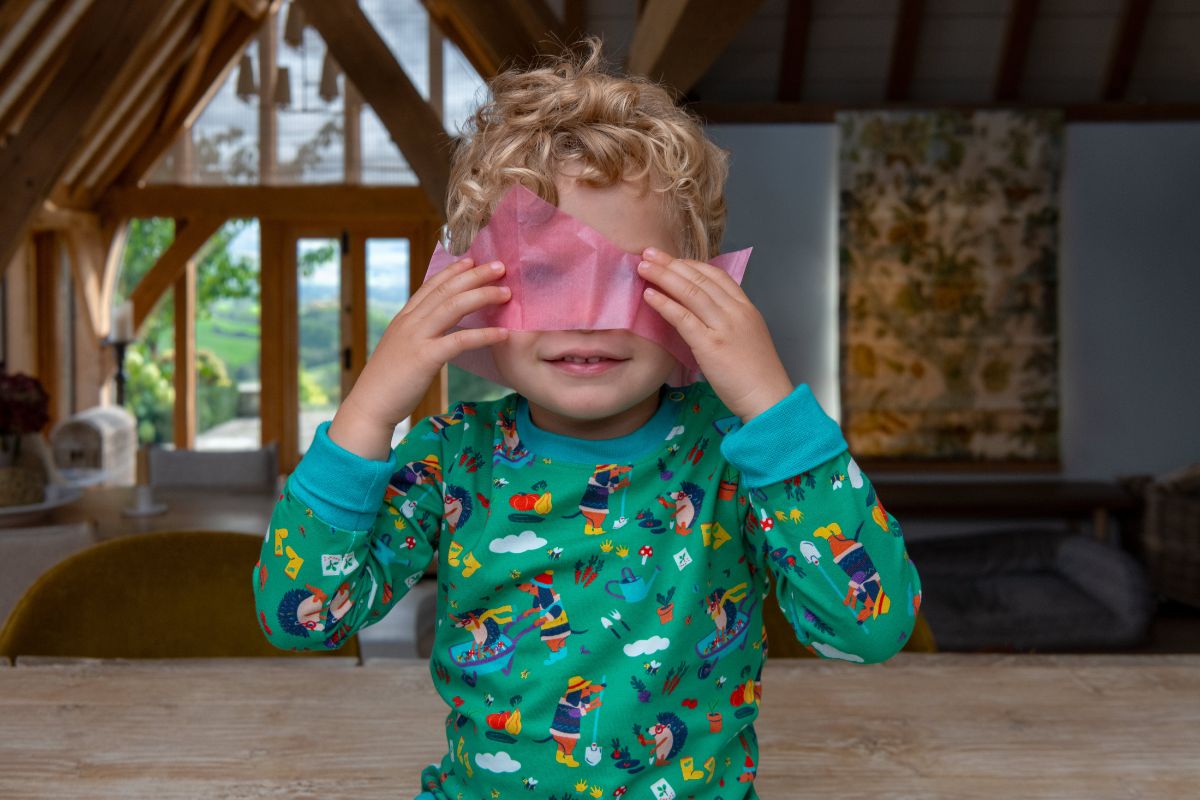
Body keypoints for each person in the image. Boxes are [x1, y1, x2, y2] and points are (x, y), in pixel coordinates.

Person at [252, 36, 922, 799]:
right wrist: (370, 408)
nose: (586, 318)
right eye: (545, 274)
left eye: (629, 274)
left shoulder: (737, 456)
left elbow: (871, 628)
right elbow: (297, 618)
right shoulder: (449, 459)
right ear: (474, 286)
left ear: (698, 289)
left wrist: (773, 407)